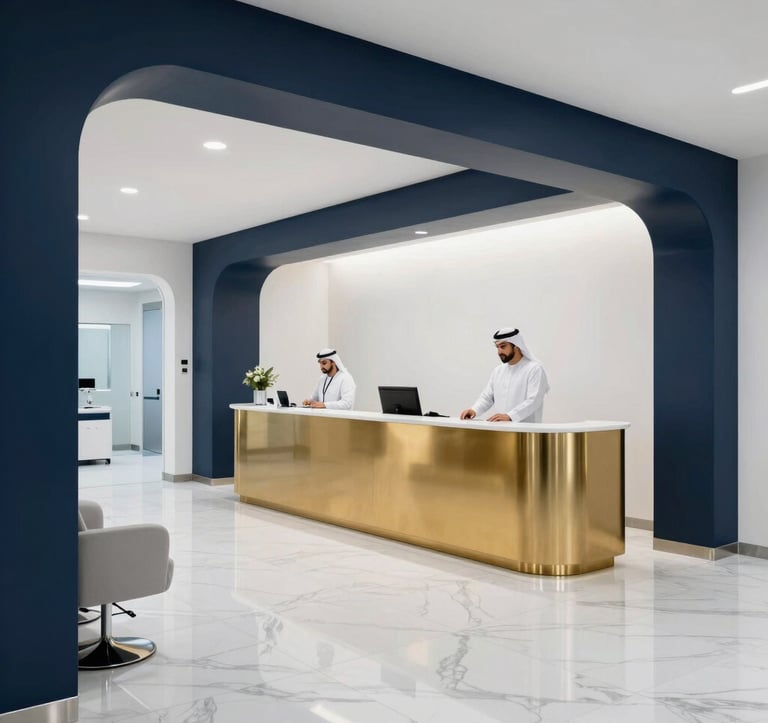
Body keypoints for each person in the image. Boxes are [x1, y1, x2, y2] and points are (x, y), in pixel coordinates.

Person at [460, 327, 550, 422]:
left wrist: (510, 416)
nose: (499, 352)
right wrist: (474, 410)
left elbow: (534, 401)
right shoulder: (498, 371)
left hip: (527, 431)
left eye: (503, 347)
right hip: (502, 430)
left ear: (516, 346)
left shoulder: (534, 369)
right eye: (497, 347)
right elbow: (487, 397)